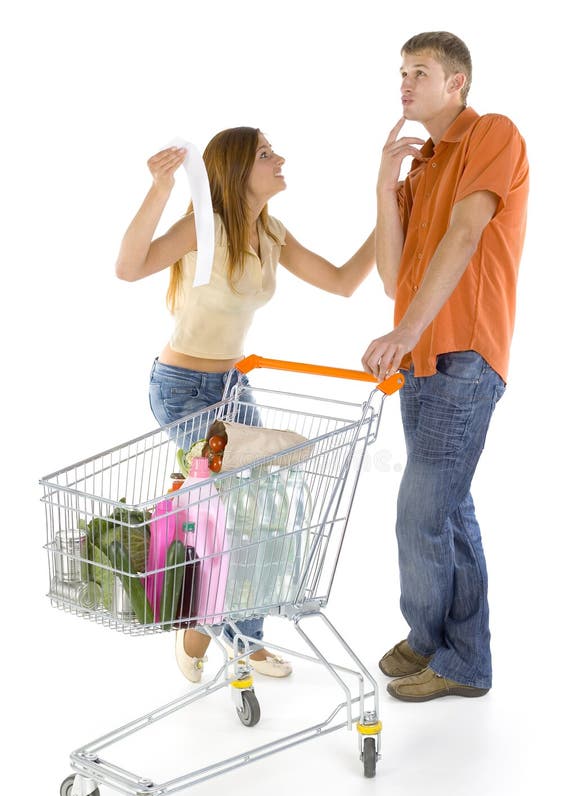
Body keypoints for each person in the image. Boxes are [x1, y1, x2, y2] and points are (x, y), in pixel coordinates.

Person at [117, 126, 375, 683]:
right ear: (236, 170)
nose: (280, 159)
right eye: (265, 154)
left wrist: (391, 210)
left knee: (260, 514)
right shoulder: (203, 229)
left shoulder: (271, 231)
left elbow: (343, 281)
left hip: (233, 389)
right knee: (229, 515)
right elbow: (129, 266)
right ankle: (218, 631)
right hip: (183, 387)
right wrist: (160, 188)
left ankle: (229, 635)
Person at [362, 31, 529, 701]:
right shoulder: (421, 166)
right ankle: (447, 647)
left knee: (420, 512)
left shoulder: (492, 133)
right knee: (447, 509)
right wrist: (383, 182)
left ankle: (450, 652)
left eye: (420, 72)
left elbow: (465, 235)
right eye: (401, 72)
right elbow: (389, 274)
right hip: (422, 362)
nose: (405, 83)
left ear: (456, 81)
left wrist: (404, 331)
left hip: (464, 353)